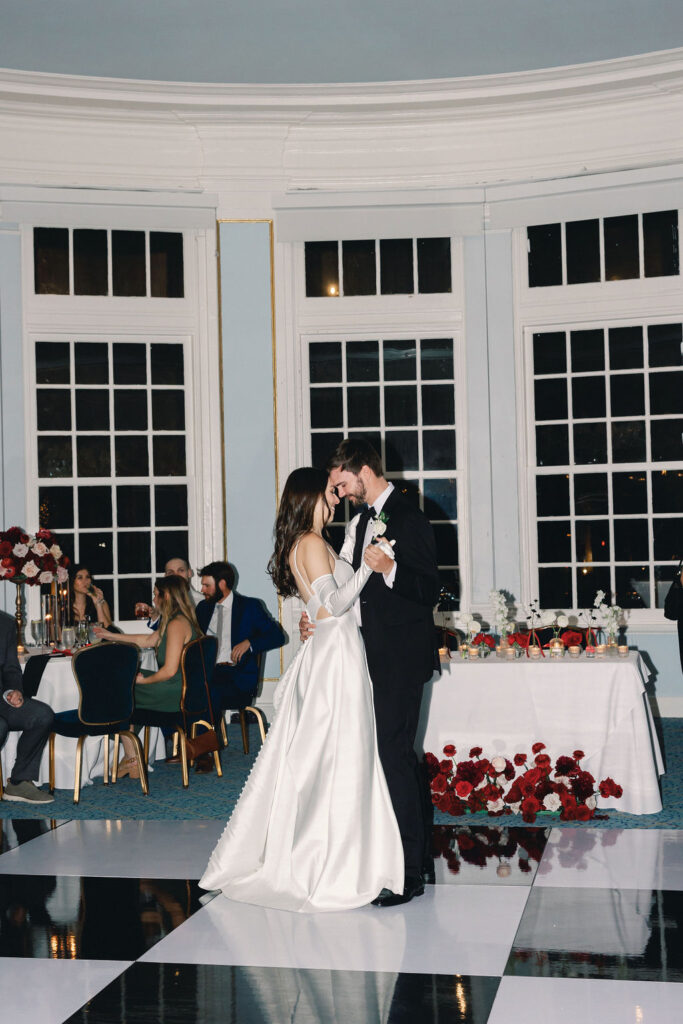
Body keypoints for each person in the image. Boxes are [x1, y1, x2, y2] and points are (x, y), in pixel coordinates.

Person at [200, 468, 403, 912]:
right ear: (309, 496)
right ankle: (328, 863)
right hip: (335, 657)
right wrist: (371, 566)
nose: (335, 501)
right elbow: (333, 605)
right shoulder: (310, 544)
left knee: (336, 755)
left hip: (337, 649)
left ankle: (343, 857)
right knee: (337, 756)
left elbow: (323, 607)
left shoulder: (314, 542)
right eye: (330, 494)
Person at [324, 438, 440, 907]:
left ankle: (410, 873)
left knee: (394, 756)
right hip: (364, 656)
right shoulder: (358, 523)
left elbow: (429, 590)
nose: (342, 491)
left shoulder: (412, 518)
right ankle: (397, 859)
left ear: (364, 471)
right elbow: (347, 588)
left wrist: (391, 568)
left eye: (343, 481)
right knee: (380, 756)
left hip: (401, 658)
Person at [94, 575, 200, 779]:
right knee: (121, 680)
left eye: (155, 594)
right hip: (181, 685)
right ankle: (131, 755)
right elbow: (148, 640)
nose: (153, 599)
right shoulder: (177, 619)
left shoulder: (176, 624)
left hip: (174, 691)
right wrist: (110, 636)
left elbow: (168, 671)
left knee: (118, 691)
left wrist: (143, 681)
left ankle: (131, 758)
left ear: (165, 595)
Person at [196, 561, 285, 719]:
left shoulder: (249, 607)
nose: (202, 590)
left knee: (209, 690)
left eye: (206, 585)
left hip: (236, 676)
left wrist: (250, 642)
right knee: (179, 688)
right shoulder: (203, 608)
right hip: (207, 672)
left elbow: (277, 636)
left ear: (222, 584)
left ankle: (205, 741)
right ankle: (183, 738)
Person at [0, 612, 54, 804]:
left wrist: (13, 691)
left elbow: (11, 669)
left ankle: (19, 782)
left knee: (41, 715)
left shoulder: (5, 623)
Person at [137, 557, 201, 625]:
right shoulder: (162, 600)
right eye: (171, 572)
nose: (176, 575)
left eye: (181, 570)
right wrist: (154, 614)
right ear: (165, 576)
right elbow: (163, 631)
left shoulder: (201, 602)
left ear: (189, 573)